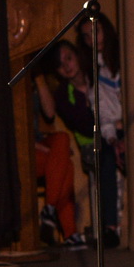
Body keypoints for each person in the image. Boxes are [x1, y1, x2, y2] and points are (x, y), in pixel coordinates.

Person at [35, 40, 120, 249]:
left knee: (63, 145)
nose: (66, 66)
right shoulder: (64, 95)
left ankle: (53, 215)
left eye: (69, 58)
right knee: (102, 155)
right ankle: (105, 229)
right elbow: (85, 125)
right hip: (93, 142)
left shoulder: (96, 75)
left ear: (77, 56)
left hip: (116, 131)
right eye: (60, 65)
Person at [32, 71, 82, 248]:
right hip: (17, 152)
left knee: (62, 138)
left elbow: (50, 113)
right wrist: (45, 150)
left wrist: (39, 77)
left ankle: (49, 210)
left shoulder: (35, 81)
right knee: (65, 164)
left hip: (38, 144)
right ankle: (70, 233)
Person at [76, 12, 125, 174]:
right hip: (115, 130)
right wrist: (113, 139)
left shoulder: (125, 55)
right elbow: (101, 111)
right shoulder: (93, 71)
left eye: (95, 31)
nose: (92, 39)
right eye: (86, 36)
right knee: (105, 157)